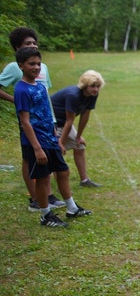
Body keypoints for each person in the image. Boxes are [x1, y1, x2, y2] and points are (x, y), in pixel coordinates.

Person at [14, 47, 92, 227]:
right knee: (43, 178)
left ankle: (72, 208)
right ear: (21, 65)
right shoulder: (22, 90)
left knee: (63, 171)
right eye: (31, 64)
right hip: (36, 142)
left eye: (38, 64)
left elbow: (48, 114)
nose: (36, 67)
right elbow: (25, 121)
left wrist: (56, 138)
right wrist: (37, 148)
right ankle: (45, 215)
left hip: (49, 138)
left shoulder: (40, 86)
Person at [0, 27, 65, 211]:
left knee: (47, 157)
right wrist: (15, 100)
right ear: (17, 48)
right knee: (30, 158)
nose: (33, 46)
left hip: (46, 119)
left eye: (34, 43)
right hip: (29, 120)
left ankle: (48, 196)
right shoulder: (15, 67)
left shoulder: (42, 66)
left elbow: (45, 93)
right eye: (27, 43)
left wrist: (52, 118)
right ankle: (35, 198)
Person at [51, 70, 105, 188]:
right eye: (92, 86)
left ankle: (84, 180)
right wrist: (61, 142)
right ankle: (59, 182)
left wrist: (78, 136)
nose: (96, 89)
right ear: (85, 85)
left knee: (80, 146)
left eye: (97, 86)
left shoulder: (93, 95)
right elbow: (69, 120)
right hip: (53, 123)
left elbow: (85, 115)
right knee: (57, 151)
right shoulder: (73, 95)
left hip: (65, 123)